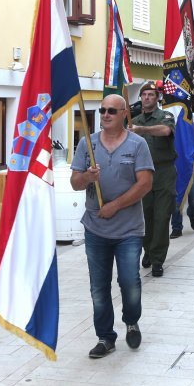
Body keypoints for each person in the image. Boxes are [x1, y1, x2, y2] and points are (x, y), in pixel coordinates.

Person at [70, 94, 154, 358]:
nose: (105, 115)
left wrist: (114, 206)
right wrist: (87, 176)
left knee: (129, 281)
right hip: (95, 228)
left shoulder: (137, 144)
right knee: (98, 286)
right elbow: (74, 182)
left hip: (129, 229)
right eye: (102, 110)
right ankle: (105, 337)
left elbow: (145, 184)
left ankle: (131, 320)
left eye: (111, 111)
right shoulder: (88, 144)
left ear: (124, 114)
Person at [129, 81, 176, 277]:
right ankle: (148, 250)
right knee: (145, 217)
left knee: (162, 217)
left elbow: (165, 131)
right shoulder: (134, 119)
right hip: (142, 174)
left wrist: (141, 130)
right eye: (144, 95)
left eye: (151, 95)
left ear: (157, 98)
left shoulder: (165, 116)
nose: (147, 98)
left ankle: (157, 259)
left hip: (163, 172)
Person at [170, 110, 194, 238]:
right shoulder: (168, 113)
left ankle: (192, 214)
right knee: (176, 196)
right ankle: (176, 227)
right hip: (175, 162)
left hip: (193, 163)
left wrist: (179, 125)